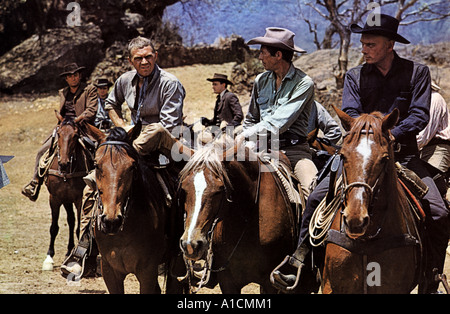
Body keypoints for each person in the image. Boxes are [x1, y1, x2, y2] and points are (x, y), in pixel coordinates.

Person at [272, 14, 449, 294]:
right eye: (363, 43)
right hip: (357, 156)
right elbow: (351, 113)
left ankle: (431, 276)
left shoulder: (417, 73)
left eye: (371, 44)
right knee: (315, 199)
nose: (364, 49)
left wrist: (388, 135)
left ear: (390, 44)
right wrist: (369, 135)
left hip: (401, 156)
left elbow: (419, 115)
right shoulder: (355, 76)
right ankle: (301, 264)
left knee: (439, 213)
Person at [61, 36, 191, 279]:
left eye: (149, 57)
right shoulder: (124, 80)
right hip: (131, 143)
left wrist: (125, 141)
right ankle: (84, 249)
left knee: (183, 185)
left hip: (164, 142)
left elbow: (169, 125)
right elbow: (110, 104)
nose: (144, 61)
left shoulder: (169, 83)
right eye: (139, 58)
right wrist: (122, 126)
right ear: (131, 60)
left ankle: (185, 250)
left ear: (156, 56)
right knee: (94, 187)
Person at [241, 27, 318, 199]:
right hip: (260, 147)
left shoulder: (304, 83)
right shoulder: (261, 80)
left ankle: (312, 226)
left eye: (263, 53)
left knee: (313, 193)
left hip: (294, 151)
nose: (260, 57)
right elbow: (251, 118)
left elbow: (279, 122)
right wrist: (247, 143)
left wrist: (243, 135)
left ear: (278, 55)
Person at [22, 63, 97, 201]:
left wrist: (77, 119)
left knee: (96, 150)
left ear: (79, 75)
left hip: (83, 127)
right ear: (66, 79)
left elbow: (91, 110)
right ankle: (35, 183)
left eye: (75, 75)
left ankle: (99, 183)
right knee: (41, 152)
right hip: (63, 127)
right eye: (70, 76)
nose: (73, 78)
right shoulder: (63, 92)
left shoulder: (89, 89)